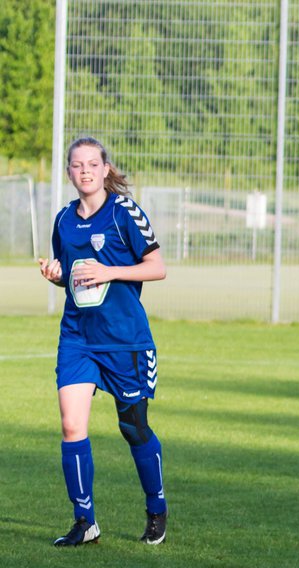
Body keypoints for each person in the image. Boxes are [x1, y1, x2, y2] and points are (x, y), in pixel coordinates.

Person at [37, 137, 169, 546]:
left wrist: (110, 271)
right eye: (77, 165)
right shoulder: (63, 220)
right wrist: (57, 274)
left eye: (93, 164)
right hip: (78, 336)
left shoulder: (123, 213)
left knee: (133, 427)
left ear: (106, 168)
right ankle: (85, 522)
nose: (85, 171)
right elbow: (74, 279)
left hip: (124, 340)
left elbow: (157, 267)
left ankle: (156, 507)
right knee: (72, 424)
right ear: (69, 173)